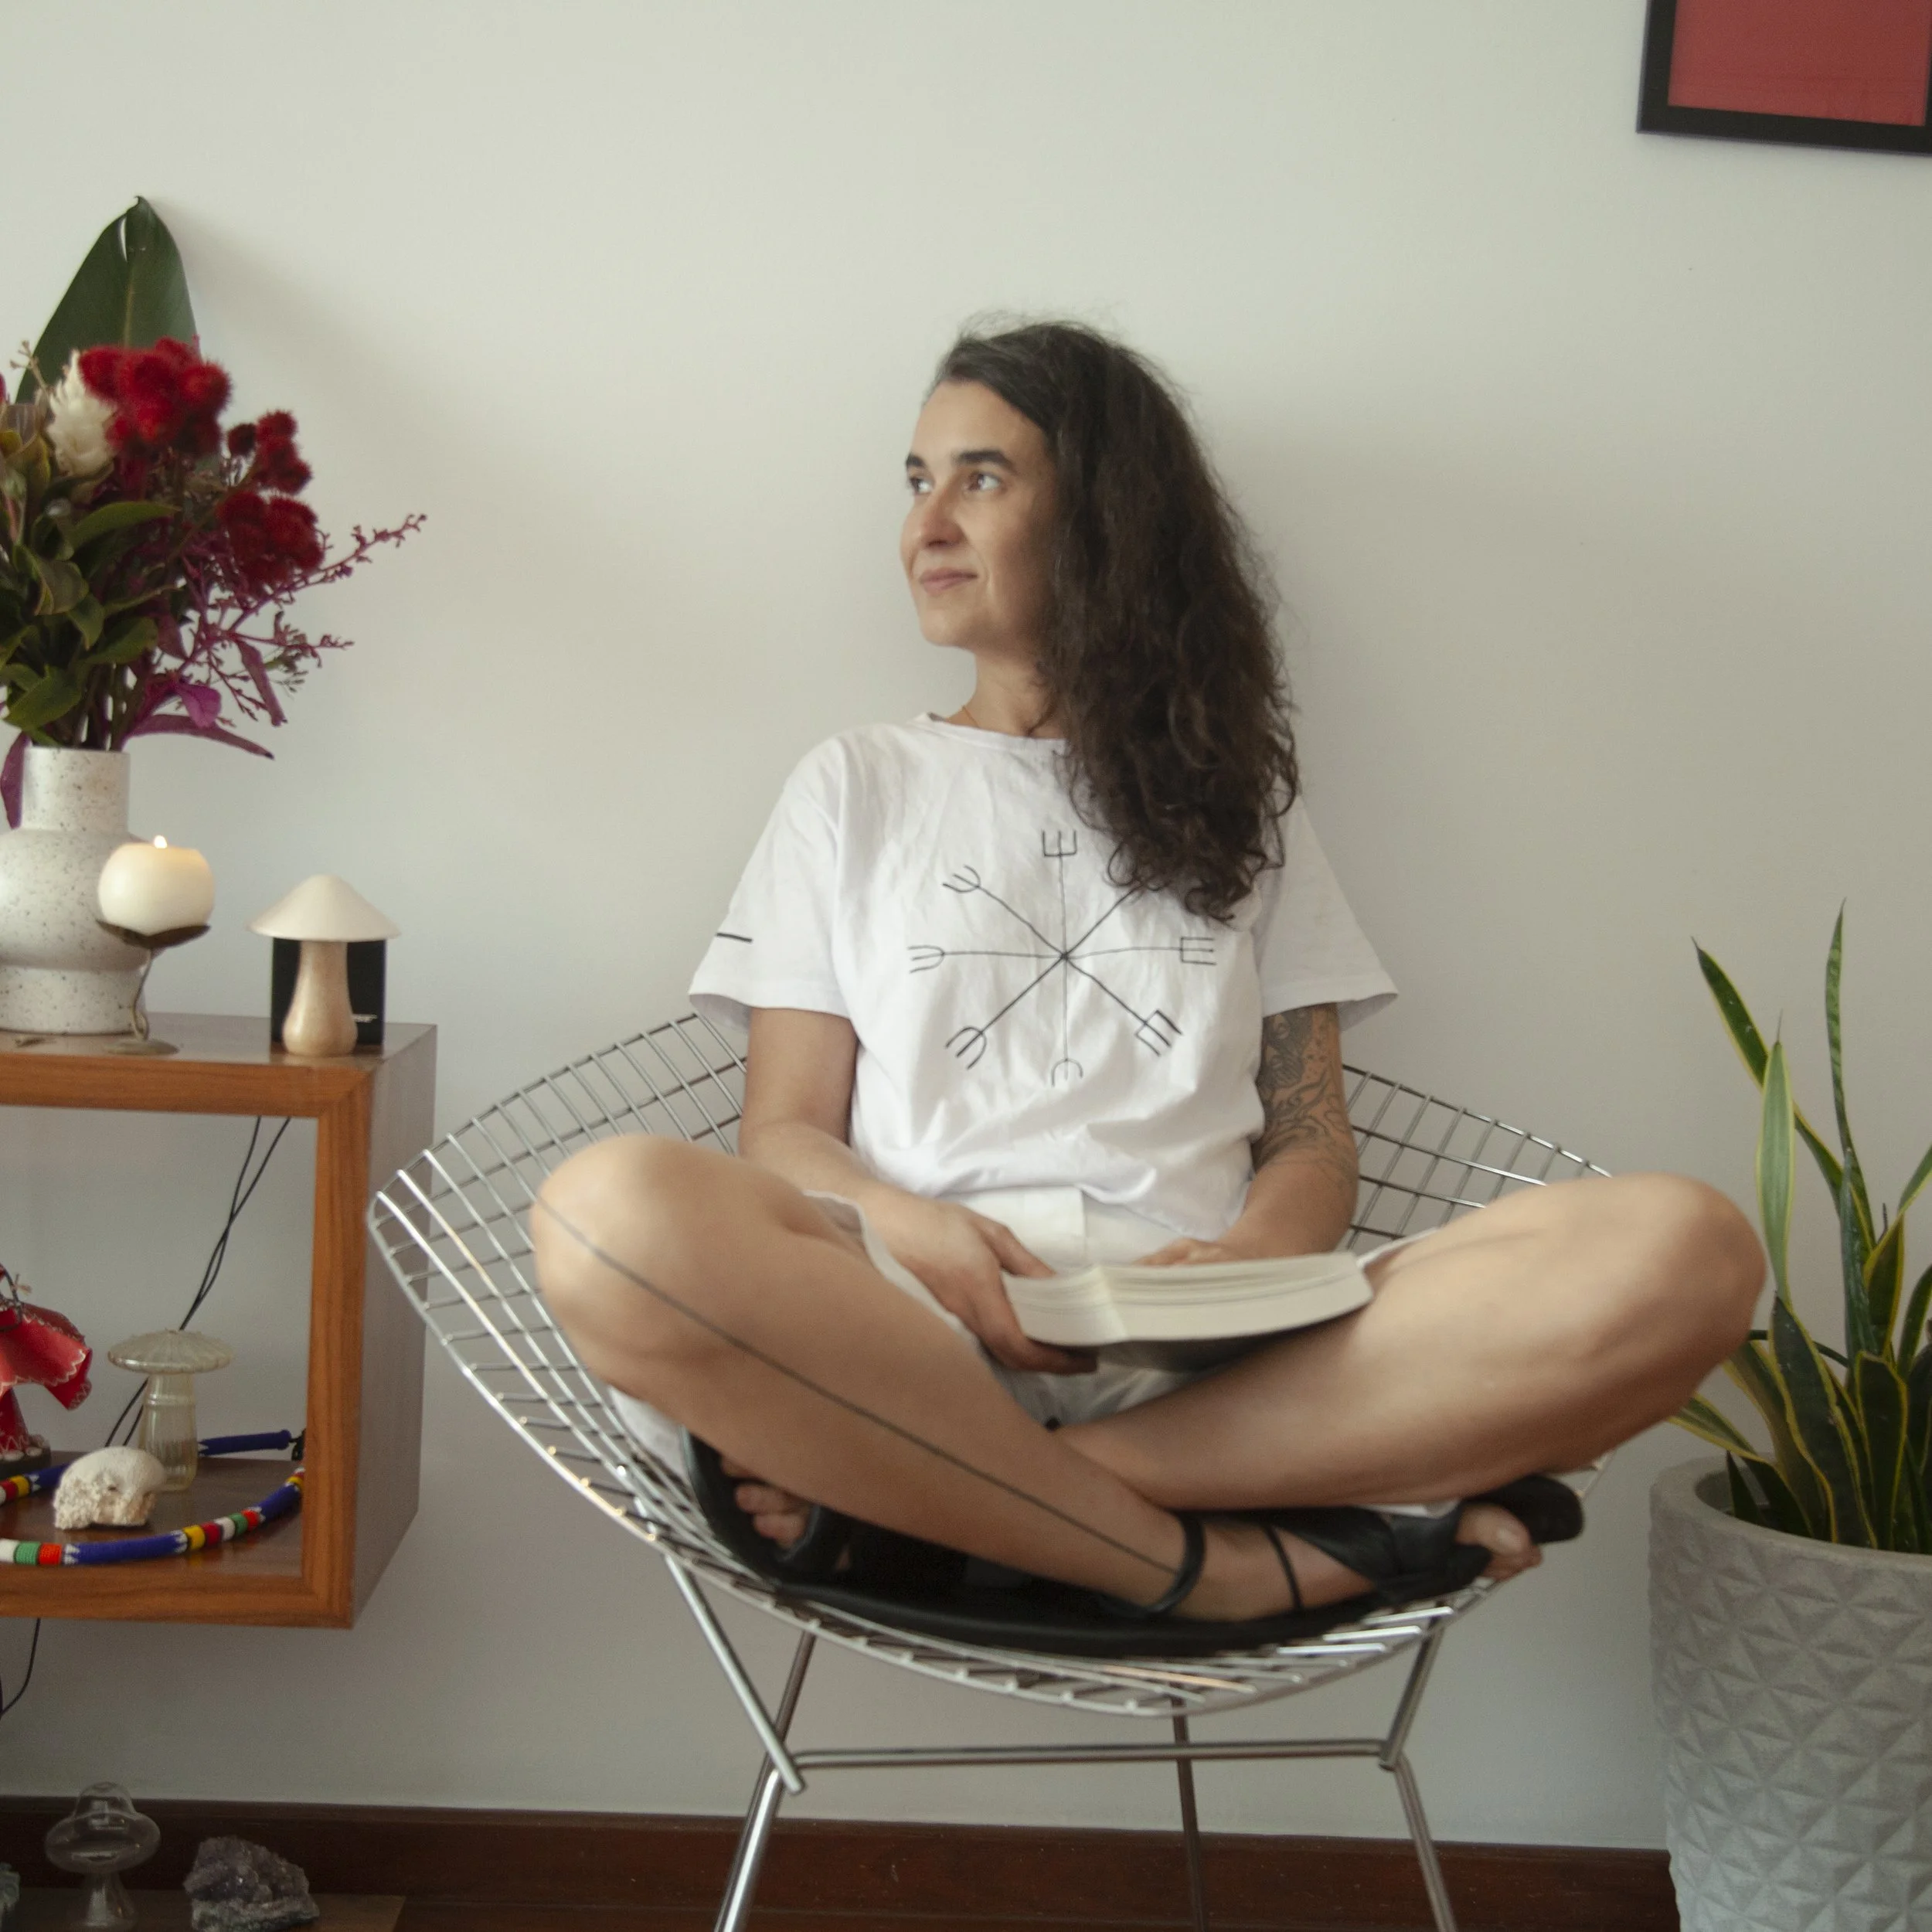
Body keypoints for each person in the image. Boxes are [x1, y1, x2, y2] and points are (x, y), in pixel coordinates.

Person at [533, 321, 1761, 1630]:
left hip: (1216, 1375)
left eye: (983, 478)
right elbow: (780, 1134)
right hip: (905, 1340)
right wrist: (908, 1226)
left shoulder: (1244, 807)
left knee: (1686, 1249)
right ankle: (1228, 1564)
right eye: (916, 480)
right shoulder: (856, 785)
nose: (927, 523)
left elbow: (1311, 1136)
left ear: (1107, 522)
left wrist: (1242, 1268)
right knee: (606, 1215)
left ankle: (950, 1518)